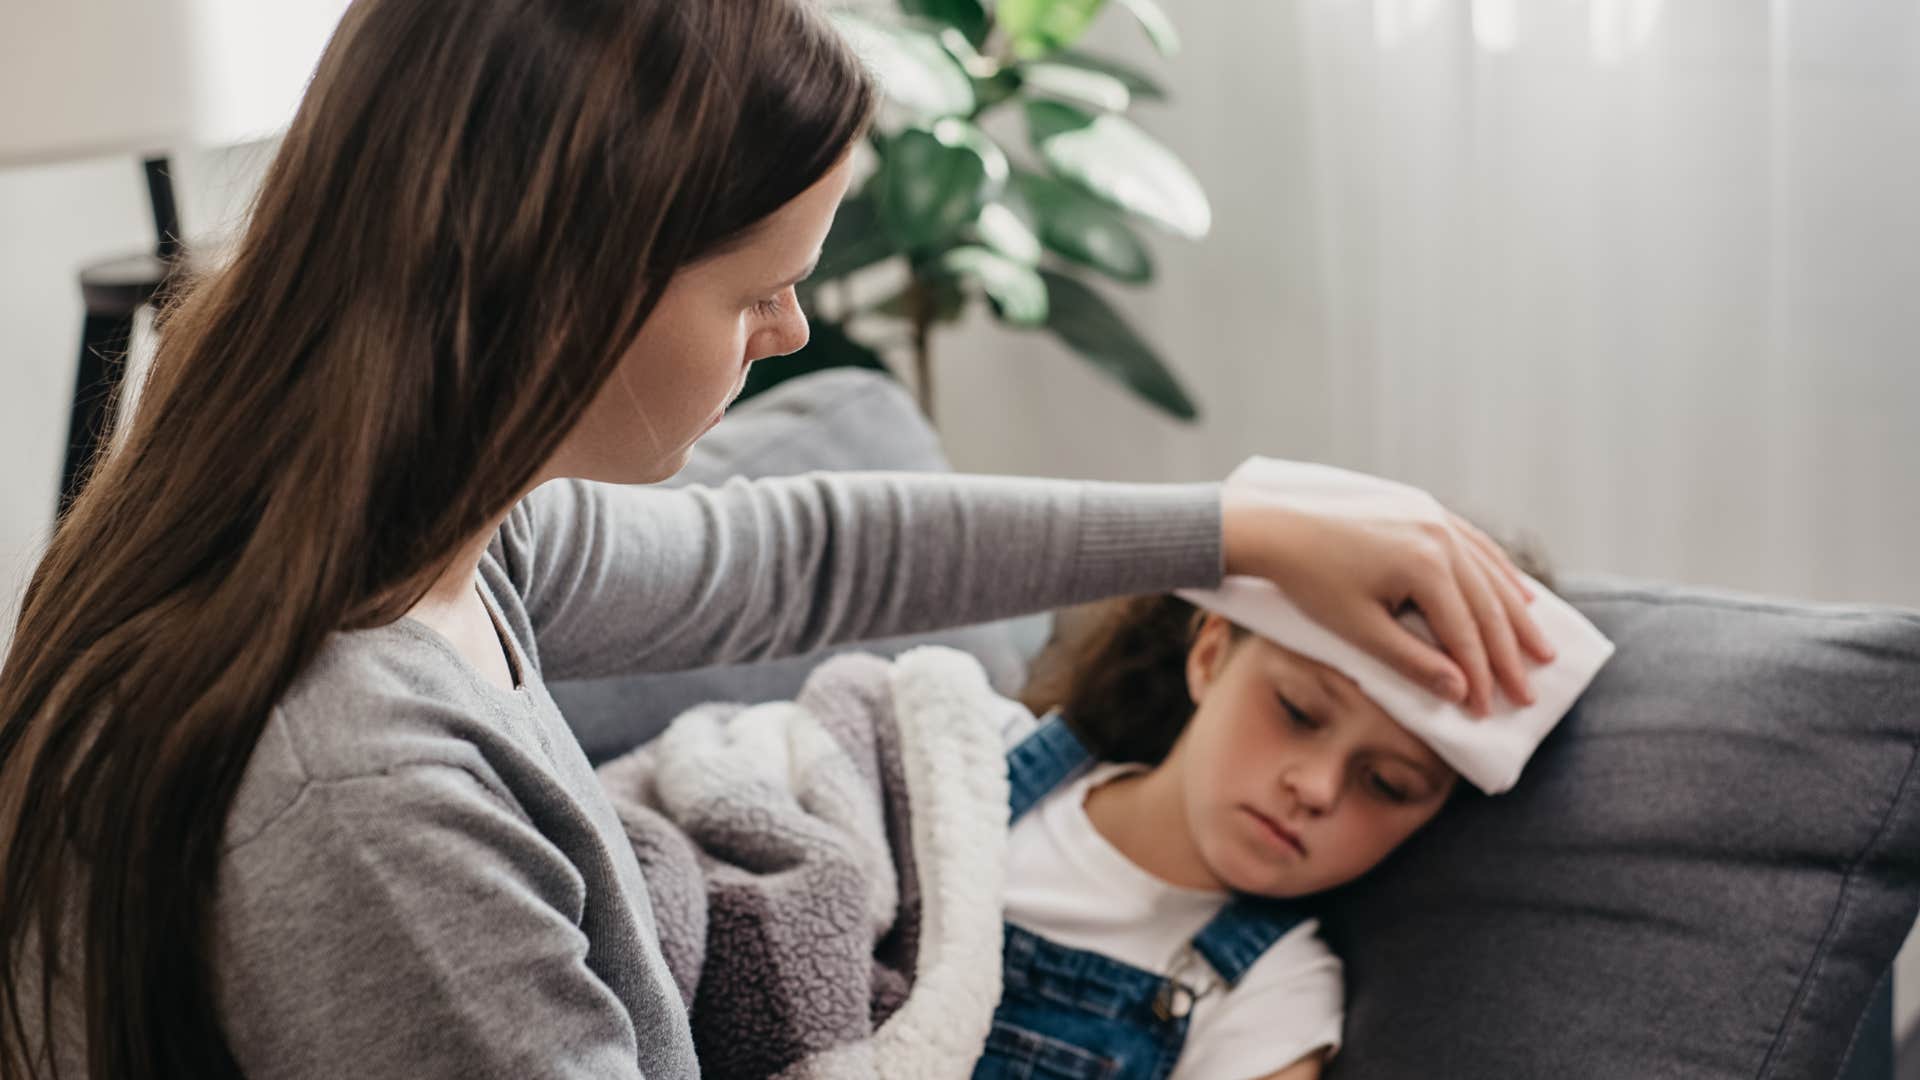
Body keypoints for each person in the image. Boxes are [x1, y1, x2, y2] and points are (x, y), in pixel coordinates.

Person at [0, 1, 1551, 1077]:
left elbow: (801, 556)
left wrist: (1244, 525)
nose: (793, 329)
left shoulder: (401, 539)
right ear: (570, 279)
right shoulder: (369, 797)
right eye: (756, 294)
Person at [986, 575, 1554, 1080]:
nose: (1317, 788)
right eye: (1299, 711)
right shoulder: (967, 756)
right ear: (1210, 656)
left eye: (1386, 784)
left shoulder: (1274, 999)